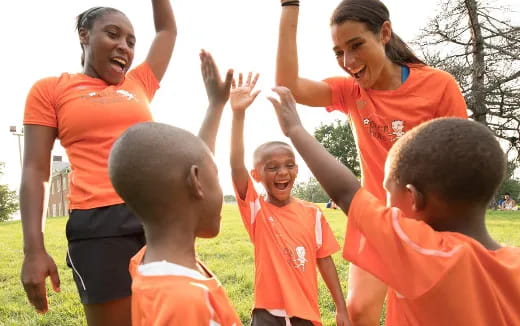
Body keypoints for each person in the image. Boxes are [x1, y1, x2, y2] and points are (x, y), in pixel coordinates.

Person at [275, 0, 468, 324]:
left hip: (429, 225)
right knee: (358, 313)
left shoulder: (438, 86)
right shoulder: (350, 91)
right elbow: (288, 87)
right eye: (338, 52)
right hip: (374, 218)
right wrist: (289, 6)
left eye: (356, 45)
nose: (348, 62)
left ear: (385, 33)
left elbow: (461, 164)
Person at [267, 86, 520, 326]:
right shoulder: (514, 263)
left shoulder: (424, 253)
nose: (384, 200)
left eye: (388, 190)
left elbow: (346, 194)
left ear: (413, 198)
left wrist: (295, 130)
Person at [20, 3, 176, 325]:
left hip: (157, 220)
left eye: (131, 42)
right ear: (84, 36)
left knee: (172, 317)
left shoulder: (138, 84)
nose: (124, 46)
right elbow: (35, 170)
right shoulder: (51, 89)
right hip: (98, 225)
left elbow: (167, 32)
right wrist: (33, 250)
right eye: (113, 34)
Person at [108, 50, 239, 326]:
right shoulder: (185, 302)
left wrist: (216, 105)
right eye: (216, 175)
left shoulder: (148, 261)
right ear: (197, 182)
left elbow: (194, 163)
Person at [229, 74, 350, 325]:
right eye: (272, 167)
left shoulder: (313, 213)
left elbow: (324, 261)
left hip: (305, 316)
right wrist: (238, 115)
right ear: (257, 175)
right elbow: (235, 165)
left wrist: (341, 309)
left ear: (296, 170)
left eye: (289, 165)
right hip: (266, 315)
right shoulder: (256, 210)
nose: (282, 172)